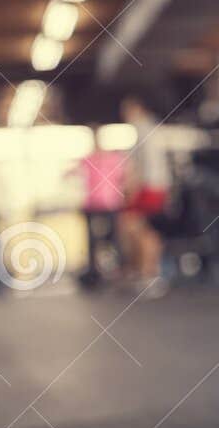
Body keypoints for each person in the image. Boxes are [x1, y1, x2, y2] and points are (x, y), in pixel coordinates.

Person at [119, 96, 172, 298]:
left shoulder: (142, 129)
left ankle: (148, 275)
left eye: (126, 110)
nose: (124, 115)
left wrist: (132, 190)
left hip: (148, 187)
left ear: (136, 108)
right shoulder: (153, 128)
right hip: (157, 186)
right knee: (145, 230)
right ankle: (147, 274)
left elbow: (140, 164)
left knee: (138, 229)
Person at [72, 126, 127, 286]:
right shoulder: (113, 158)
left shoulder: (89, 159)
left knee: (97, 240)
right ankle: (111, 269)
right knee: (111, 239)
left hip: (97, 203)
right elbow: (124, 177)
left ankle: (100, 270)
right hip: (107, 203)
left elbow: (70, 174)